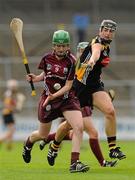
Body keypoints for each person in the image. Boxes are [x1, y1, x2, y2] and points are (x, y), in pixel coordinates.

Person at [39, 42, 117, 167]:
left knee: (67, 128)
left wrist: (104, 100)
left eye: (84, 51)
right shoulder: (74, 65)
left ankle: (52, 144)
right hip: (74, 101)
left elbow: (95, 88)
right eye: (79, 51)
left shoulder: (91, 67)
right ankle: (101, 162)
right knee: (91, 132)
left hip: (83, 102)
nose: (82, 53)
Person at [22, 30, 89, 173]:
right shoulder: (46, 58)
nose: (61, 49)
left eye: (64, 46)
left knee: (78, 127)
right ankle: (28, 143)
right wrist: (34, 78)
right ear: (53, 46)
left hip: (66, 99)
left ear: (68, 46)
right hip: (48, 101)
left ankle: (74, 163)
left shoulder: (72, 61)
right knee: (42, 135)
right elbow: (45, 75)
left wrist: (54, 96)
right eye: (58, 46)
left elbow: (68, 86)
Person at [74, 19, 126, 160]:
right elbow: (95, 53)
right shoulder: (98, 43)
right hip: (80, 87)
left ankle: (113, 148)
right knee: (69, 125)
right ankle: (52, 144)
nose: (108, 33)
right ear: (100, 30)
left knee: (110, 111)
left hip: (94, 86)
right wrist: (92, 61)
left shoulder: (107, 46)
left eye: (111, 31)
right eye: (105, 30)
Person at [0, 79, 25, 150]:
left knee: (11, 130)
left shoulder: (12, 94)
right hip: (7, 113)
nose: (15, 87)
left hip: (9, 113)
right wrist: (15, 109)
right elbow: (7, 105)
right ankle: (1, 140)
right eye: (14, 86)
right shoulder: (9, 94)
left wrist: (17, 106)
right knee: (12, 131)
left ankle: (9, 145)